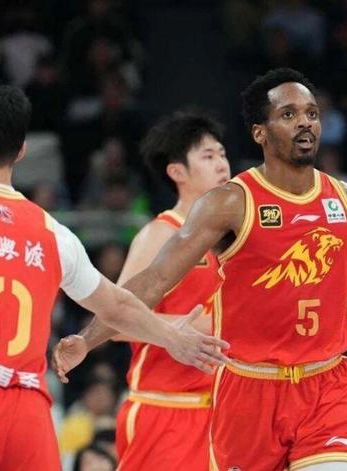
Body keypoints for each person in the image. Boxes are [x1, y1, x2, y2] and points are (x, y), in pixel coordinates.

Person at [53, 68, 347, 470]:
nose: (304, 122)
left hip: (326, 387)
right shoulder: (229, 203)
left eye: (312, 113)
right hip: (248, 391)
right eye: (289, 114)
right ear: (260, 132)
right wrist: (87, 339)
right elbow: (153, 281)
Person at [0, 84, 229, 471]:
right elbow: (118, 306)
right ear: (22, 150)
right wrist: (173, 337)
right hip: (29, 412)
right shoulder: (53, 231)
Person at [109, 111, 230, 470]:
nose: (221, 164)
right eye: (208, 156)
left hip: (221, 413)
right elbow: (115, 321)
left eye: (222, 153)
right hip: (165, 410)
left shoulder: (233, 238)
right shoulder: (160, 234)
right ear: (177, 172)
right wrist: (192, 327)